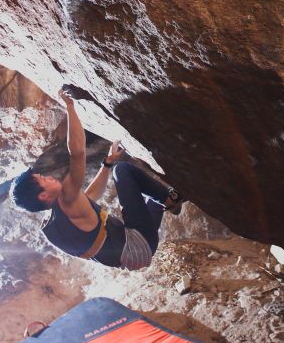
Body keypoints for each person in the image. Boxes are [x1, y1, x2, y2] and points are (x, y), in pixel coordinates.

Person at [10, 89, 184, 271]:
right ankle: (171, 199)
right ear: (43, 195)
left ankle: (170, 201)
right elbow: (77, 153)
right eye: (43, 179)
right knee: (122, 171)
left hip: (134, 257)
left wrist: (107, 163)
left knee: (153, 198)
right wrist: (70, 106)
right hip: (138, 243)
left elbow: (90, 196)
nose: (49, 177)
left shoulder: (52, 223)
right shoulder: (66, 199)